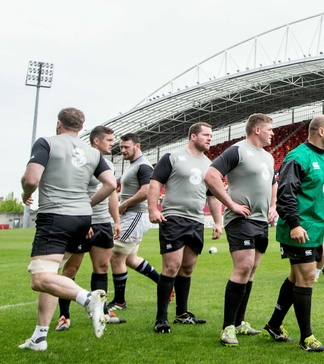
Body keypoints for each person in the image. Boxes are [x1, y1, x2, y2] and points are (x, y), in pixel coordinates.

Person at [19, 108, 116, 351]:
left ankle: (88, 299)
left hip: (55, 217)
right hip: (83, 219)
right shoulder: (93, 153)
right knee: (52, 274)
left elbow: (31, 179)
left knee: (40, 278)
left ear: (59, 123)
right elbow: (111, 184)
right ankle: (40, 337)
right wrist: (87, 204)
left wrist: (26, 194)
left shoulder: (46, 143)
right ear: (81, 128)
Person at [264, 115, 324, 352]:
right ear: (320, 131)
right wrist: (295, 224)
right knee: (306, 278)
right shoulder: (297, 157)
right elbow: (286, 194)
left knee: (296, 278)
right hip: (298, 230)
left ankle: (274, 325)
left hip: (315, 230)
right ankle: (306, 337)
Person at [205, 113, 278, 347]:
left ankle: (240, 322)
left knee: (252, 270)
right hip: (240, 219)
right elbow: (211, 175)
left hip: (260, 221)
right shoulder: (237, 150)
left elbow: (273, 183)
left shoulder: (268, 157)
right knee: (243, 266)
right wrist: (231, 204)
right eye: (269, 129)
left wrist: (273, 206)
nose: (273, 133)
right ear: (257, 129)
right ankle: (227, 327)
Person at [148, 123, 223, 334]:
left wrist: (218, 222)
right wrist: (153, 209)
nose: (210, 138)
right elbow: (155, 182)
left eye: (211, 135)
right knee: (171, 266)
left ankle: (182, 313)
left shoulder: (210, 165)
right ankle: (161, 318)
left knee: (188, 267)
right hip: (173, 218)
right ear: (193, 136)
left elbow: (212, 195)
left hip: (196, 220)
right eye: (206, 135)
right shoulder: (172, 157)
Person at [55, 125, 125, 332]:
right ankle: (64, 316)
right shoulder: (82, 160)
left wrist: (116, 221)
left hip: (103, 223)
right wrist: (83, 220)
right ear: (96, 141)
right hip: (83, 223)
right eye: (109, 140)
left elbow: (112, 194)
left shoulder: (109, 165)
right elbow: (75, 192)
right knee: (71, 269)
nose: (113, 144)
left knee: (102, 268)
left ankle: (100, 313)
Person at [108, 133, 159, 311]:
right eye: (121, 147)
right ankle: (164, 284)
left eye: (126, 147)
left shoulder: (143, 166)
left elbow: (147, 191)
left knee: (115, 256)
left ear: (137, 146)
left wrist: (124, 205)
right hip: (131, 215)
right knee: (130, 259)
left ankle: (119, 301)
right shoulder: (133, 166)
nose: (122, 150)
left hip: (136, 215)